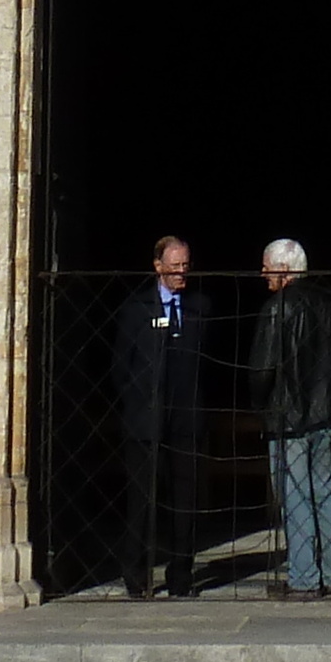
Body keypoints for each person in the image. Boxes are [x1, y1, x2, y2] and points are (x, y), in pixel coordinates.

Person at [251, 238, 331, 599]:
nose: (263, 273)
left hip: (289, 418)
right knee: (325, 494)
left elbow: (262, 369)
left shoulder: (276, 308)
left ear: (283, 270)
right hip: (326, 415)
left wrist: (261, 409)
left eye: (267, 266)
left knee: (295, 497)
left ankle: (303, 579)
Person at [111, 234, 209, 598]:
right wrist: (138, 404)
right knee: (143, 501)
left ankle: (181, 574)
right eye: (175, 265)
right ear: (158, 266)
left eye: (186, 265)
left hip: (187, 421)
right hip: (145, 422)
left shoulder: (201, 307)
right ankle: (136, 573)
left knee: (185, 502)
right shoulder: (136, 308)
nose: (181, 272)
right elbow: (120, 367)